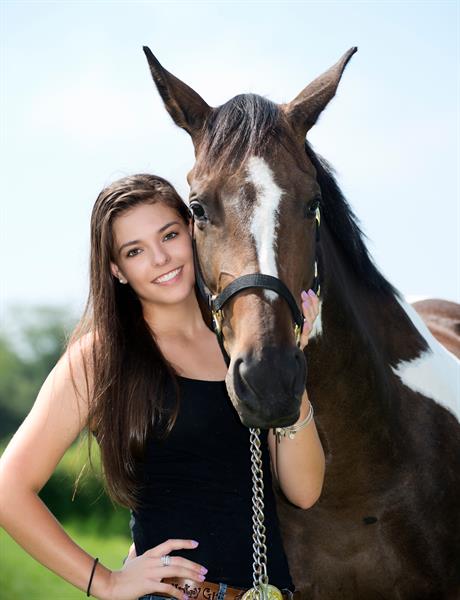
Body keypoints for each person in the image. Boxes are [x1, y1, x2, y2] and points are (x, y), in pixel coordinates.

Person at [0, 174, 325, 600]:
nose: (160, 258)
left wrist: (290, 363)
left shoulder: (242, 345)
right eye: (135, 251)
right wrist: (107, 581)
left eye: (168, 235)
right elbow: (9, 490)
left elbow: (304, 491)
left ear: (193, 231)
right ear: (116, 269)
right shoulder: (103, 357)